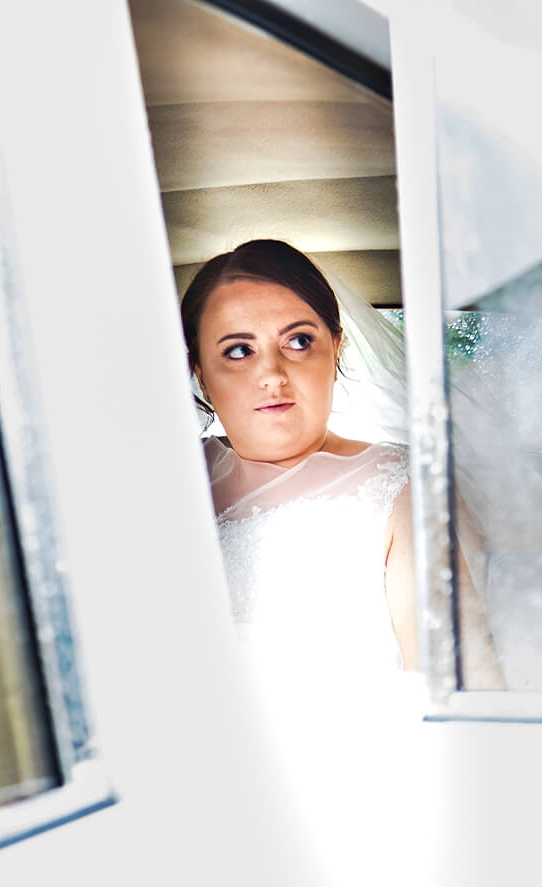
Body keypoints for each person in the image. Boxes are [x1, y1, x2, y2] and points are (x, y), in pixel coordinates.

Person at [181, 239, 501, 683]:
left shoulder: (405, 488)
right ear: (201, 372)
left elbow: (453, 687)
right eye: (238, 350)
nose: (272, 374)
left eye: (298, 341)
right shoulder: (170, 479)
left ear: (335, 351)